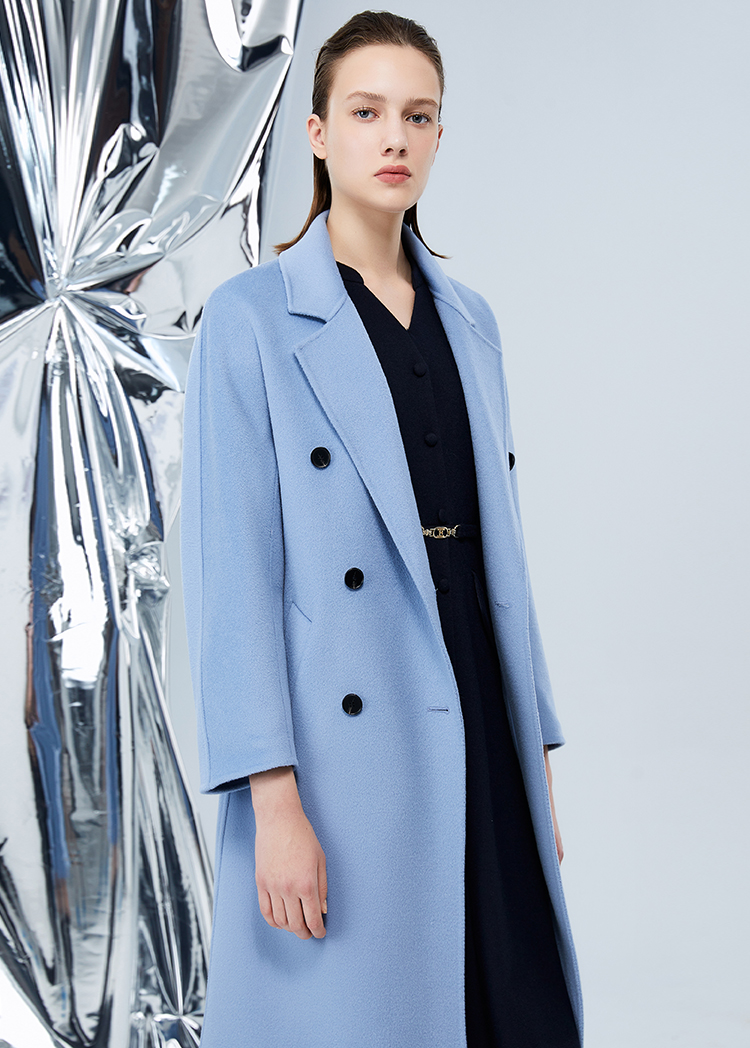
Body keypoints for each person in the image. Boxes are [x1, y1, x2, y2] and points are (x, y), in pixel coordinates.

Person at [181, 11, 583, 1048]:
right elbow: (234, 579)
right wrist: (273, 805)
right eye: (366, 113)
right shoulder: (250, 320)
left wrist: (535, 753)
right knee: (371, 1015)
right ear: (318, 135)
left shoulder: (472, 320)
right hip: (343, 745)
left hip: (479, 705)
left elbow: (505, 559)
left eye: (419, 115)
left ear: (441, 135)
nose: (395, 137)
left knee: (511, 1005)